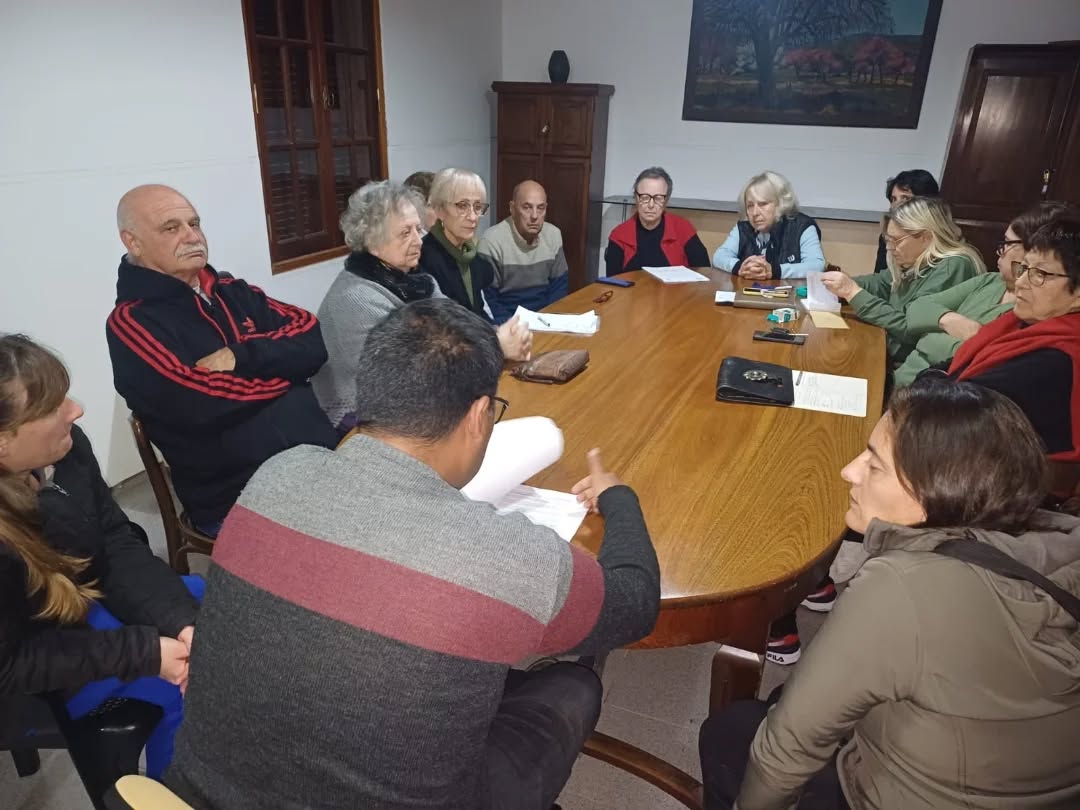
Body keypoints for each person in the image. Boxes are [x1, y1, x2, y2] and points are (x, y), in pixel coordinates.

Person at [166, 298, 661, 809]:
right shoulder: (506, 556)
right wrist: (618, 497)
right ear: (479, 416)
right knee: (574, 685)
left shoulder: (277, 475)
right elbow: (635, 603)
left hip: (198, 794)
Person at [700, 377, 1080, 810]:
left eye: (874, 464)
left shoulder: (901, 589)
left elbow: (786, 749)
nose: (849, 471)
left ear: (933, 494)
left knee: (730, 733)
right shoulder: (1060, 540)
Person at [0, 334, 200, 779]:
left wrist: (180, 622)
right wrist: (145, 653)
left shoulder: (66, 449)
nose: (75, 410)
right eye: (52, 407)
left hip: (70, 607)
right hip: (27, 669)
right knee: (186, 696)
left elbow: (111, 540)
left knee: (203, 608)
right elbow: (11, 664)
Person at [105, 184, 338, 536]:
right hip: (238, 494)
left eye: (194, 223)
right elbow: (196, 401)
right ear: (132, 242)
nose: (192, 236)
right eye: (171, 228)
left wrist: (242, 356)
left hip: (316, 461)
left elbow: (312, 336)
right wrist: (289, 378)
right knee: (366, 547)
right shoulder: (131, 323)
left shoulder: (230, 290)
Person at [312, 180, 532, 432]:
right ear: (373, 242)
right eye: (405, 233)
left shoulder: (416, 280)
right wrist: (497, 346)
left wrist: (495, 336)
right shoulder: (357, 299)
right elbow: (415, 376)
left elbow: (460, 329)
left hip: (418, 404)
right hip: (363, 420)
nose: (418, 241)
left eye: (418, 229)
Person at [895, 202, 1075, 386]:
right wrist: (950, 321)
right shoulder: (990, 280)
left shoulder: (1031, 310)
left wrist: (929, 335)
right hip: (905, 379)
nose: (1000, 251)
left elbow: (977, 359)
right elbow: (916, 308)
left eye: (1007, 243)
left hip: (931, 391)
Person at [949, 214, 1080, 462]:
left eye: (1039, 274)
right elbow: (952, 371)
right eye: (1024, 268)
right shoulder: (1019, 323)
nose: (1020, 282)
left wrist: (931, 380)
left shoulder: (1059, 358)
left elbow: (959, 408)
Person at [822, 197, 984, 367]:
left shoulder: (953, 266)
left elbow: (911, 328)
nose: (890, 248)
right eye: (888, 240)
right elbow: (881, 282)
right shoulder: (914, 258)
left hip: (908, 364)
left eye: (896, 240)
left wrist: (852, 292)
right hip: (888, 348)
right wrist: (838, 285)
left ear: (926, 237)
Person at [479, 179, 569, 323]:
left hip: (545, 319)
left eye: (540, 208)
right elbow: (489, 300)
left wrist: (549, 320)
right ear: (512, 208)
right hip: (508, 322)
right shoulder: (491, 242)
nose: (534, 216)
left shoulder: (553, 235)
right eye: (527, 207)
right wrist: (514, 328)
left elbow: (559, 288)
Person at [713, 171, 826, 280]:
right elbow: (719, 256)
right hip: (747, 291)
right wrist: (740, 267)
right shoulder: (744, 227)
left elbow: (816, 266)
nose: (755, 213)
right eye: (750, 206)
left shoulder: (802, 226)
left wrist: (774, 271)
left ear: (780, 204)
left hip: (791, 292)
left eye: (763, 204)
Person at [420, 168, 499, 318]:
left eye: (477, 207)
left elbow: (477, 312)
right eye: (462, 206)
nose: (473, 217)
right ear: (440, 209)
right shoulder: (424, 257)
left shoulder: (470, 254)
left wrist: (495, 328)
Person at [605, 167, 710, 275]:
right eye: (645, 197)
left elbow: (704, 273)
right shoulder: (619, 235)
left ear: (666, 200)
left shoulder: (683, 229)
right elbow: (613, 281)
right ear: (636, 197)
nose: (651, 205)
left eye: (658, 198)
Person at [873, 169, 940, 272]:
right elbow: (881, 277)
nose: (896, 205)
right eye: (893, 199)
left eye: (905, 199)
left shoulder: (946, 252)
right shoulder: (887, 237)